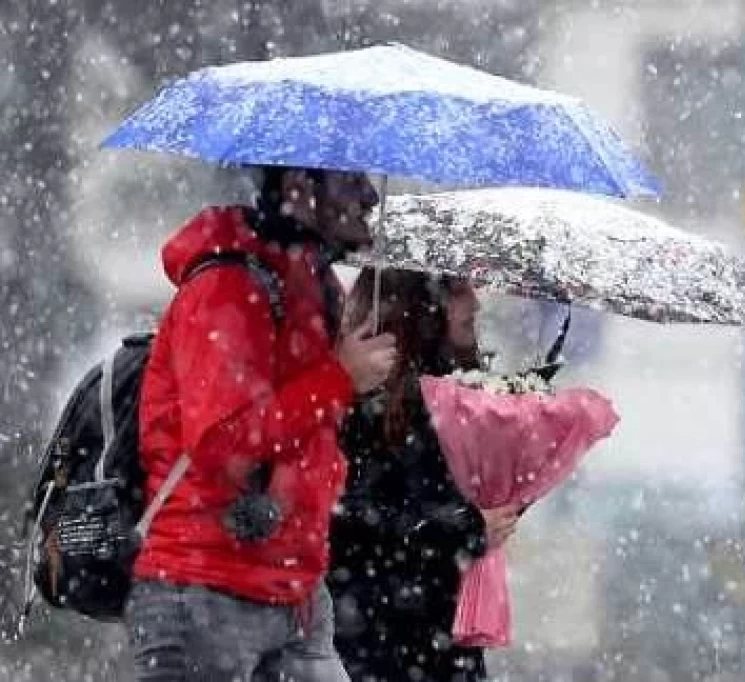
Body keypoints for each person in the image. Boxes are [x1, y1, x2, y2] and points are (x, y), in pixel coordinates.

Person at [127, 167, 398, 682]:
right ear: (299, 183)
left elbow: (306, 435)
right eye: (350, 180)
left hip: (295, 595)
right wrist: (339, 379)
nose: (369, 195)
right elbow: (222, 441)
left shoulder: (314, 287)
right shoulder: (228, 285)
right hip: (204, 592)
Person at [328, 268, 522, 682]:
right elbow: (347, 519)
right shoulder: (365, 398)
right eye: (458, 289)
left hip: (441, 634)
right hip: (380, 639)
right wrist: (466, 528)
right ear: (419, 302)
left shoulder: (459, 394)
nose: (475, 303)